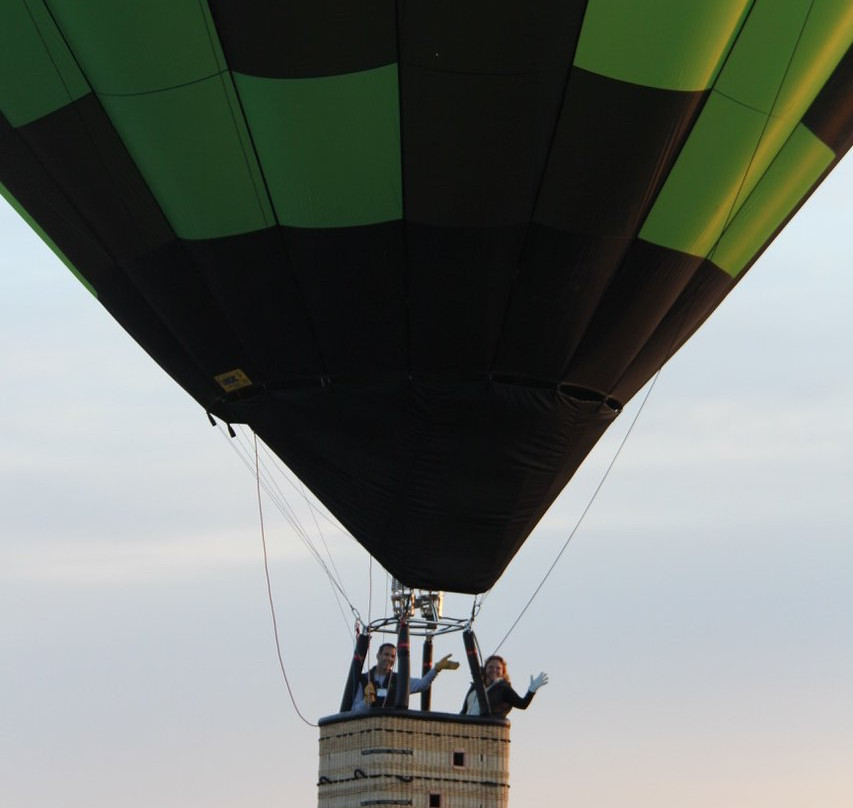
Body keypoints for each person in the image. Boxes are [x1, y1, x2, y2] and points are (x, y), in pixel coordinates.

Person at [351, 643, 456, 712]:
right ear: (378, 656)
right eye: (386, 654)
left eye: (392, 656)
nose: (389, 659)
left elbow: (422, 684)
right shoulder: (364, 680)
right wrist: (366, 702)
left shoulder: (399, 680)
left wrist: (437, 669)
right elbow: (354, 710)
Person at [461, 654, 548, 718]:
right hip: (466, 728)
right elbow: (464, 710)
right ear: (485, 669)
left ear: (503, 672)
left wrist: (532, 690)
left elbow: (522, 704)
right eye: (491, 667)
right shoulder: (476, 687)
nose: (494, 670)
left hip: (485, 729)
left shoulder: (503, 689)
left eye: (498, 668)